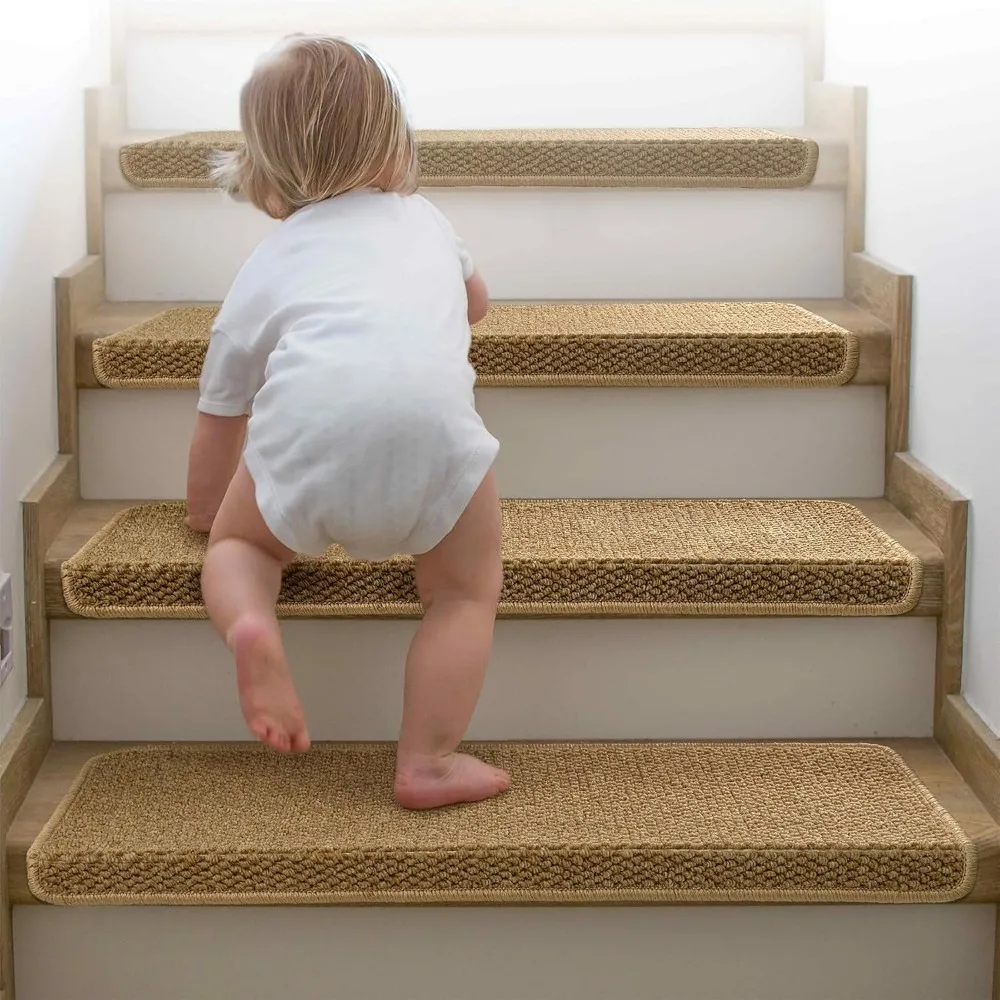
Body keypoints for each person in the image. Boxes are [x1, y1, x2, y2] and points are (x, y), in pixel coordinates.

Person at [184, 34, 508, 810]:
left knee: (239, 545)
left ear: (262, 169)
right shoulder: (424, 219)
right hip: (438, 439)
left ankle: (252, 626)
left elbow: (221, 405)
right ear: (393, 142)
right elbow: (478, 303)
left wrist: (210, 513)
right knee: (465, 593)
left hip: (310, 427)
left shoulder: (272, 259)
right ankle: (427, 762)